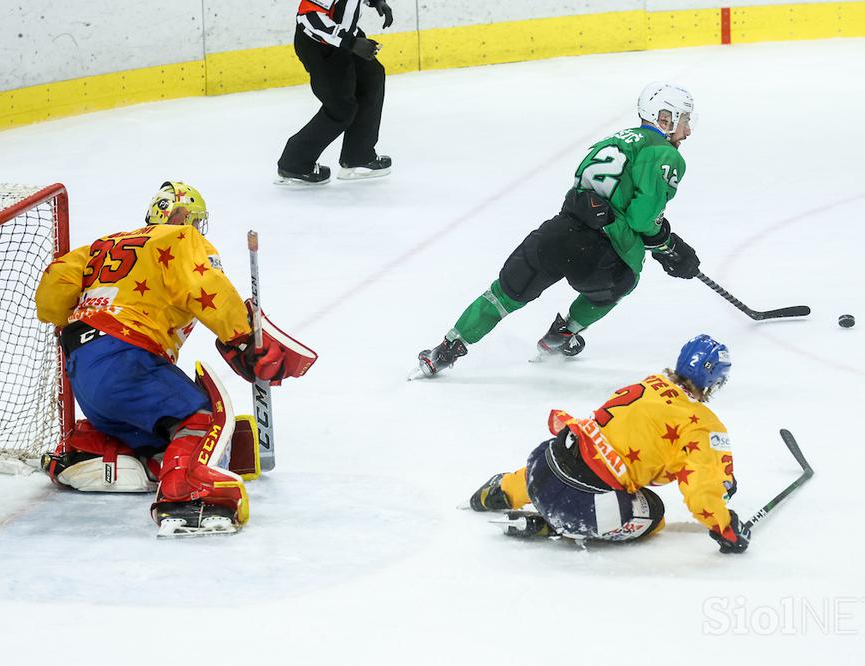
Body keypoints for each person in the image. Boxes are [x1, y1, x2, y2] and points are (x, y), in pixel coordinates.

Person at [35, 181, 316, 536]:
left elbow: (52, 291)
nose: (196, 228)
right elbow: (204, 286)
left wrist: (82, 321)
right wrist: (242, 337)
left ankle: (91, 450)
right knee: (200, 416)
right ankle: (187, 492)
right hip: (126, 356)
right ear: (182, 216)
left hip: (83, 366)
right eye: (195, 220)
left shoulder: (100, 246)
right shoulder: (180, 239)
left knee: (156, 423)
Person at [417, 82, 701, 376]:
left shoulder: (611, 140)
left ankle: (446, 348)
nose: (688, 130)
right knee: (624, 280)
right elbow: (641, 220)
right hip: (602, 255)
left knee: (504, 293)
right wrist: (667, 245)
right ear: (664, 118)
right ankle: (563, 334)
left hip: (557, 234)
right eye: (685, 120)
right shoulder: (666, 154)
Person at [468, 334, 749, 554]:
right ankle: (563, 527)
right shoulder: (704, 425)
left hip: (542, 466)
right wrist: (725, 527)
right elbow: (700, 495)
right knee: (655, 516)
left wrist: (713, 476)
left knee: (578, 455)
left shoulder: (651, 383)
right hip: (583, 505)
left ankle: (503, 489)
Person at [277, 0, 394, 185]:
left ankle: (359, 156)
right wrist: (351, 42)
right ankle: (294, 164)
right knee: (341, 108)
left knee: (371, 78)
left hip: (346, 38)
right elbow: (309, 17)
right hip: (320, 45)